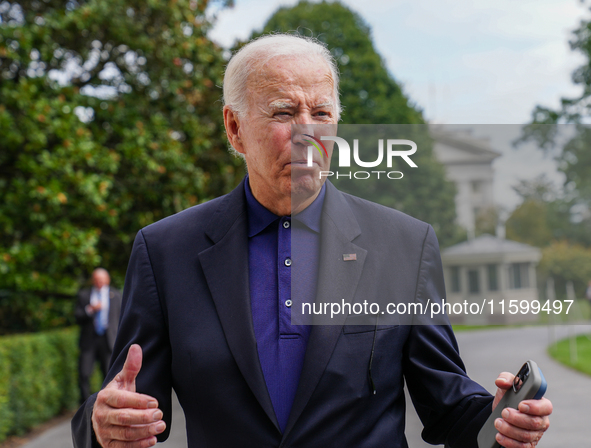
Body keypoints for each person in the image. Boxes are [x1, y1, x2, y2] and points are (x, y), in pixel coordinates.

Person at [72, 34, 552, 448]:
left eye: (321, 112)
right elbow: (128, 403)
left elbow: (448, 404)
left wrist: (500, 422)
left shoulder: (405, 244)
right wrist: (102, 423)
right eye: (283, 112)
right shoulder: (165, 251)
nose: (307, 132)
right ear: (234, 128)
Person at [74, 268, 122, 404]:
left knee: (108, 373)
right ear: (92, 280)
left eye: (102, 279)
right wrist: (90, 309)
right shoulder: (84, 295)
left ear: (107, 280)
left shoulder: (116, 295)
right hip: (89, 340)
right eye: (96, 279)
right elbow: (77, 316)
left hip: (108, 339)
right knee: (84, 372)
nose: (99, 282)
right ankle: (85, 404)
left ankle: (108, 402)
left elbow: (121, 318)